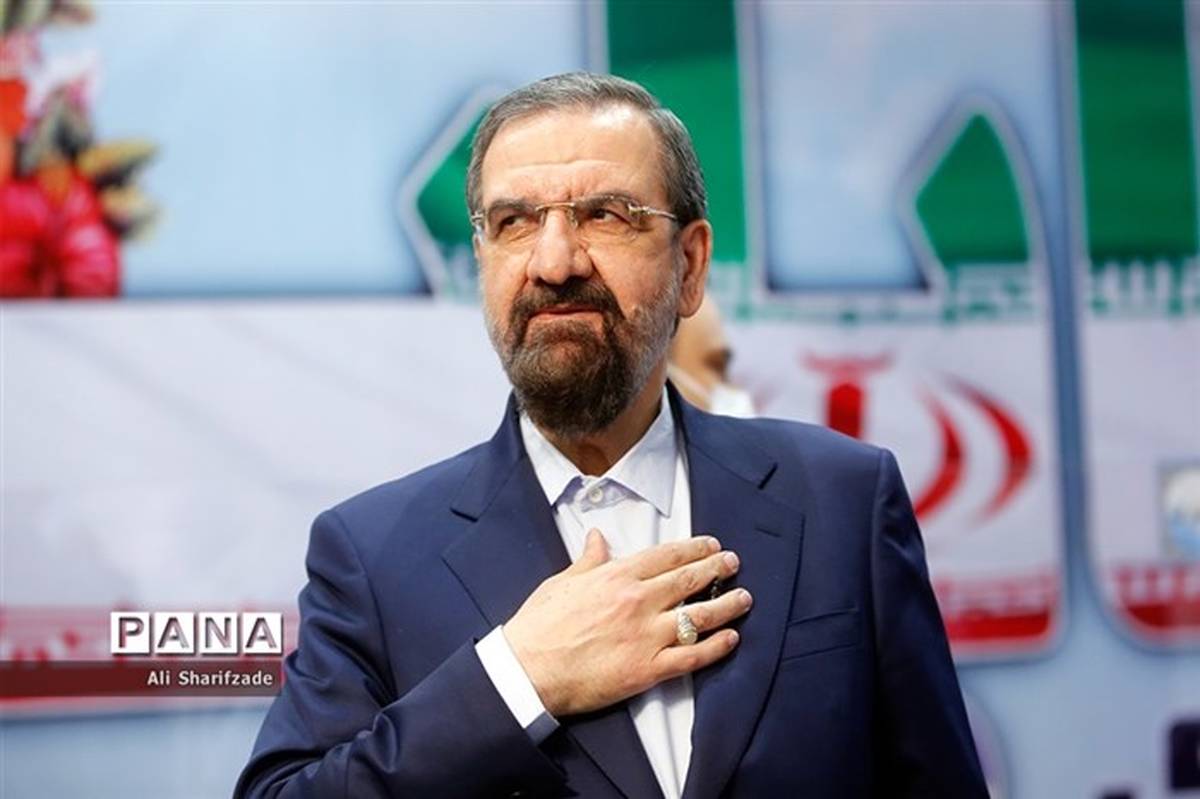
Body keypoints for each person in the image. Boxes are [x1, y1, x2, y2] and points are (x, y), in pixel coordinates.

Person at [235, 72, 987, 799]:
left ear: (690, 265)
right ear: (483, 260)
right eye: (514, 222)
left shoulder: (843, 501)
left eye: (606, 214)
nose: (555, 262)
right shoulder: (372, 556)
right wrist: (519, 677)